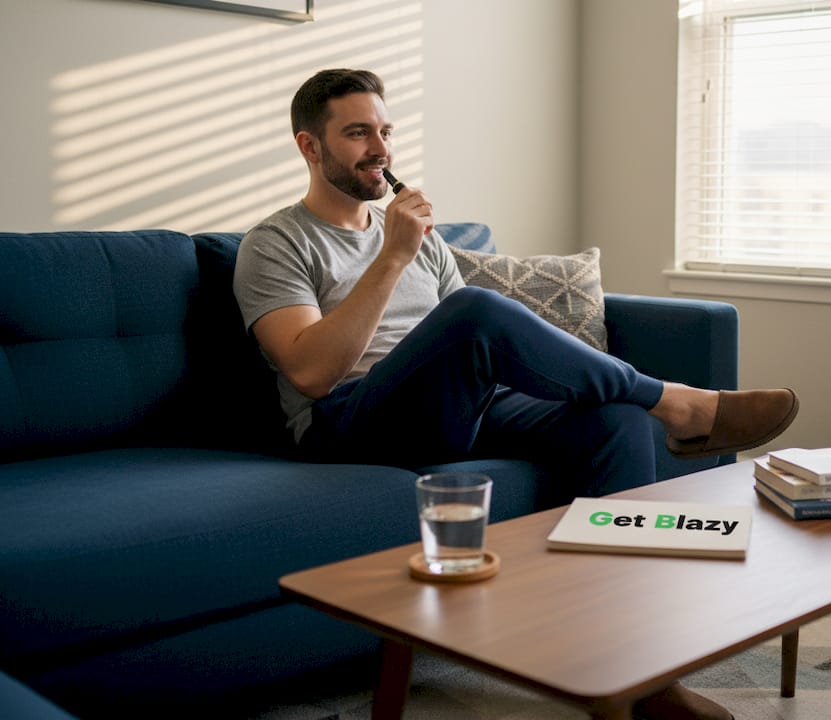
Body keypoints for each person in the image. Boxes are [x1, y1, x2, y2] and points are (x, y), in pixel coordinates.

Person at [234, 68, 800, 719]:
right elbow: (310, 372)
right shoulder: (275, 243)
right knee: (475, 309)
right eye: (358, 133)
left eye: (385, 131)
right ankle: (680, 404)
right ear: (310, 146)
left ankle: (635, 676)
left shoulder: (424, 243)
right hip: (349, 421)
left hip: (457, 406)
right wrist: (391, 256)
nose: (380, 149)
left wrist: (413, 251)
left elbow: (471, 353)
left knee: (611, 417)